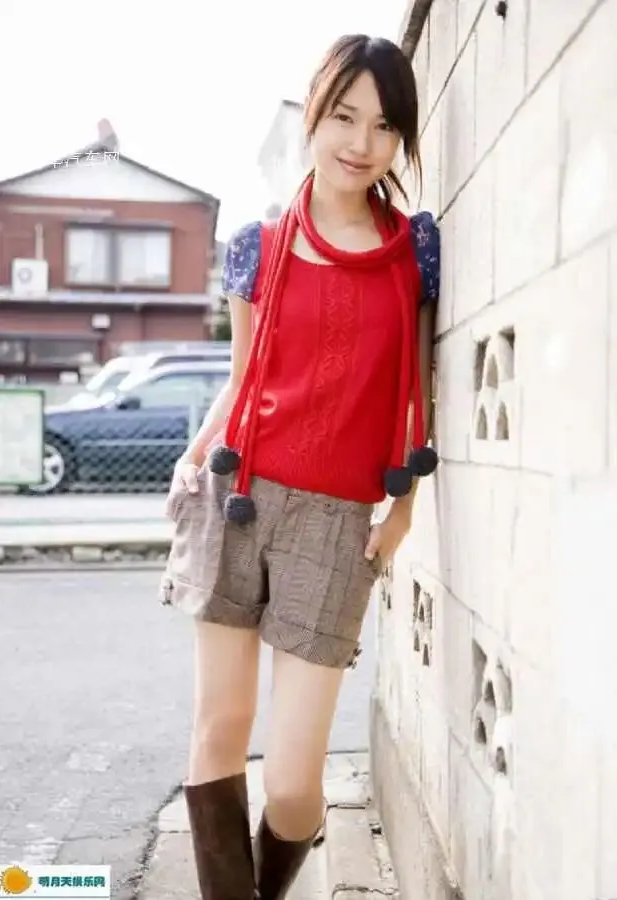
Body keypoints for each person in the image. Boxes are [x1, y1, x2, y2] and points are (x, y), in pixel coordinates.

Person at [160, 32, 440, 900]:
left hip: (336, 520)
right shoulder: (258, 245)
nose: (362, 143)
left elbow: (418, 390)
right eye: (345, 117)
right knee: (218, 728)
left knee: (290, 783)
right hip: (235, 495)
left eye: (385, 126)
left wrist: (404, 510)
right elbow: (242, 379)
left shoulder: (414, 252)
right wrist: (193, 455)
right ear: (313, 117)